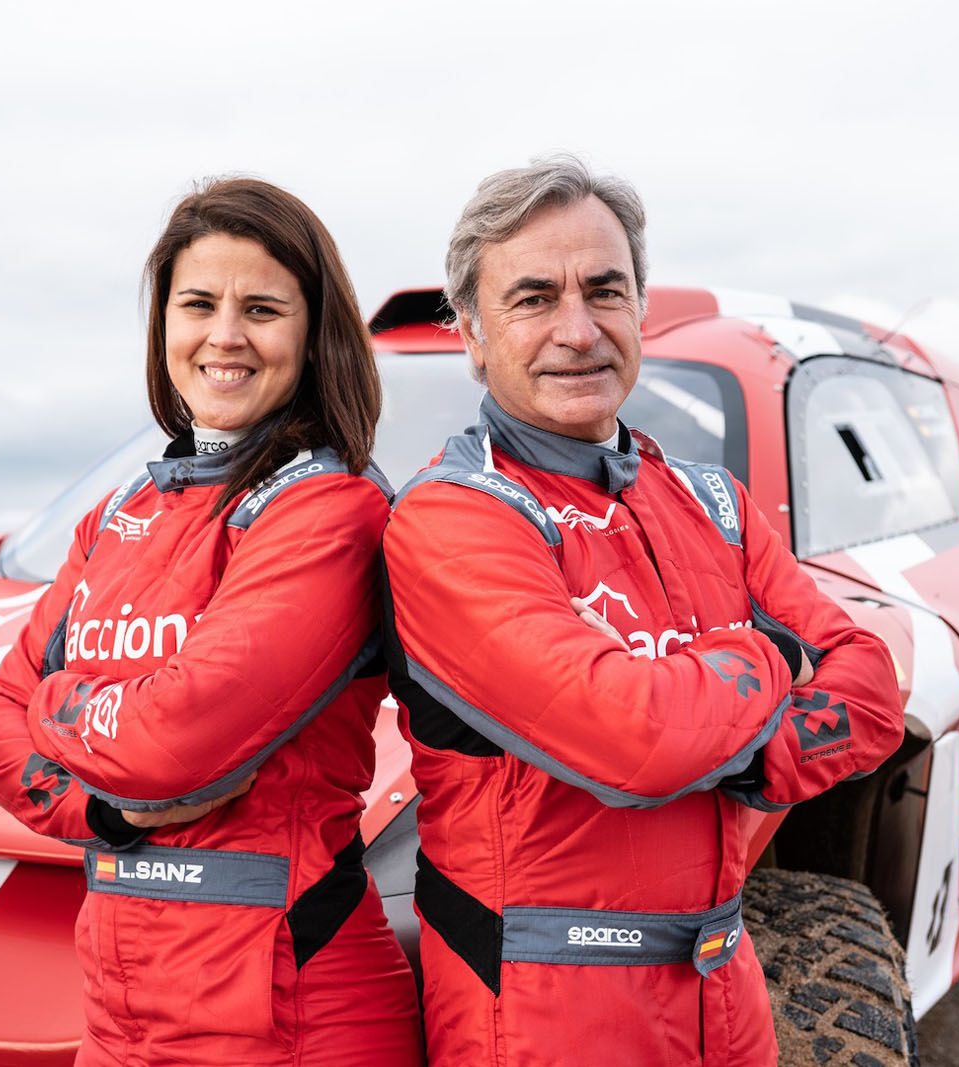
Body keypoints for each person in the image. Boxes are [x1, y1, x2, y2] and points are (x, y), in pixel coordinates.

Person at [380, 156, 905, 1066]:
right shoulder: (451, 516)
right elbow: (634, 738)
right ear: (471, 333)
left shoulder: (713, 501)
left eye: (605, 290)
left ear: (640, 307)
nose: (578, 329)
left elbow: (871, 688)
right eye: (534, 298)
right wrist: (772, 655)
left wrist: (740, 752)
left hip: (724, 992)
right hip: (544, 1017)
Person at [0, 177, 423, 1067]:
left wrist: (57, 704)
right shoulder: (118, 514)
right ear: (163, 327)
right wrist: (106, 809)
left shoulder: (330, 510)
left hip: (289, 1015)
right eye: (198, 304)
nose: (225, 335)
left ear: (314, 334)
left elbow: (174, 738)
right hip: (117, 1016)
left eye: (261, 308)